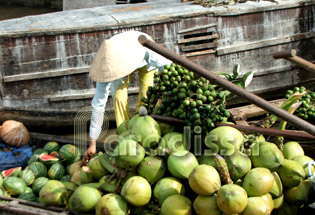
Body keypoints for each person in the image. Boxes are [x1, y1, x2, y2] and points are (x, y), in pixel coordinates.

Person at [82, 30, 172, 164]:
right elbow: (98, 106)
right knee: (118, 98)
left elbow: (168, 66)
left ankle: (147, 132)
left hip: (141, 57)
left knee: (146, 93)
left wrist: (165, 94)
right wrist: (92, 142)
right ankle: (126, 138)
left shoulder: (145, 50)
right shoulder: (106, 67)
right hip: (118, 58)